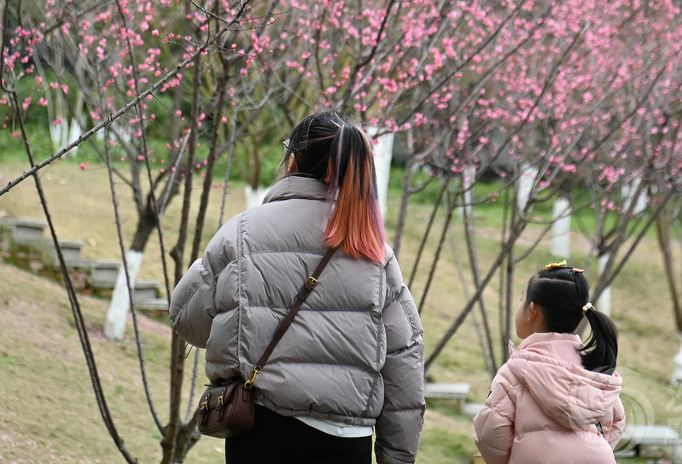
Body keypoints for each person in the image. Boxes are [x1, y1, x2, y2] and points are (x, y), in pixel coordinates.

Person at [169, 112, 425, 464]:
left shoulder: (244, 231)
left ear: (291, 160)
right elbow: (405, 358)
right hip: (347, 440)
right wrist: (397, 456)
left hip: (263, 430)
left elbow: (187, 319)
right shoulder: (375, 251)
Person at [473, 261, 625, 464]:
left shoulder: (517, 371)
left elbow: (490, 432)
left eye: (521, 299)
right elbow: (614, 421)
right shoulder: (593, 368)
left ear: (532, 311)